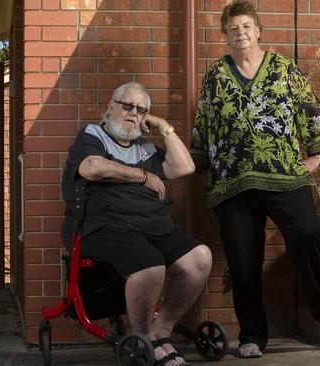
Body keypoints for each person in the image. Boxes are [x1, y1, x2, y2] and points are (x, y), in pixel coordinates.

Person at [190, 0, 320, 359]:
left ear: (258, 30)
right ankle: (252, 334)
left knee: (307, 233)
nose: (241, 33)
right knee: (242, 259)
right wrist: (201, 161)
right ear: (225, 34)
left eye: (246, 26)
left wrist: (315, 154)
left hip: (284, 172)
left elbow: (308, 106)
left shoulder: (283, 67)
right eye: (233, 28)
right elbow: (204, 120)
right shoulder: (216, 74)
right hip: (233, 180)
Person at [61, 81, 211, 366]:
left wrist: (164, 126)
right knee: (150, 264)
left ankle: (160, 333)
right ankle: (143, 339)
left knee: (199, 258)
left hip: (152, 228)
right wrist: (143, 176)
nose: (133, 114)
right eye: (127, 106)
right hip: (101, 226)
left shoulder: (146, 147)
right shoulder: (93, 135)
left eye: (141, 110)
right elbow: (91, 167)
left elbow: (185, 167)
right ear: (110, 107)